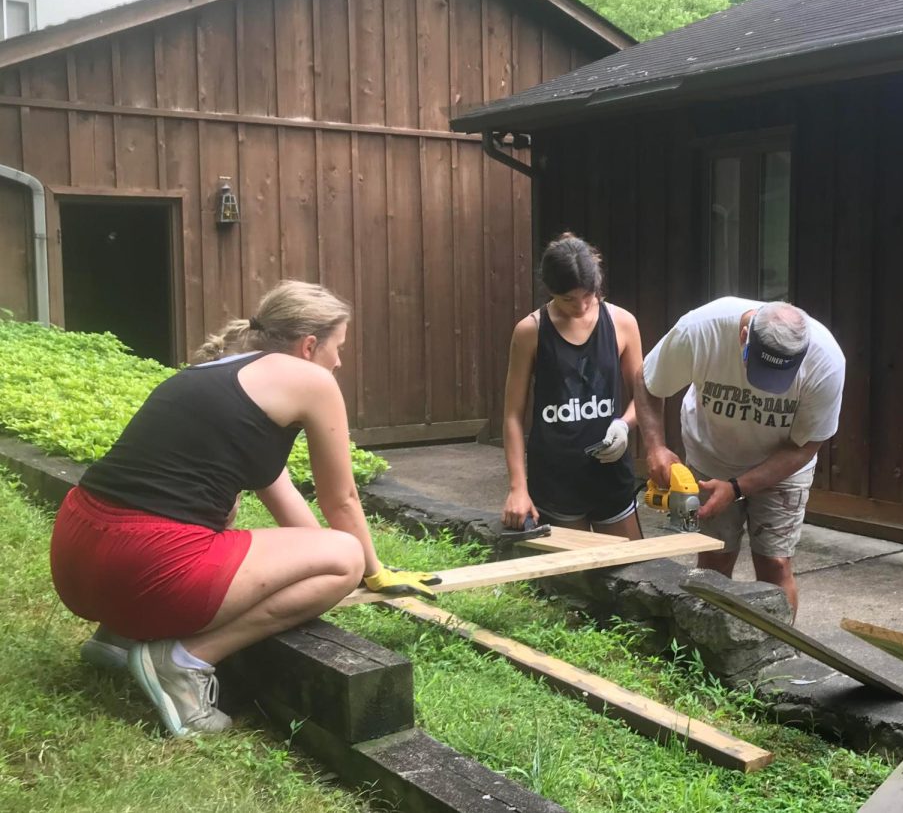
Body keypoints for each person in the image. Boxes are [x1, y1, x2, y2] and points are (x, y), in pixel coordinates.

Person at [50, 280, 437, 738]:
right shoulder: (311, 380)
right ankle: (184, 660)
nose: (339, 361)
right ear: (310, 345)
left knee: (283, 534)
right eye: (339, 347)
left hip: (76, 557)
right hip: (144, 565)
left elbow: (282, 493)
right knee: (346, 558)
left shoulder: (213, 373)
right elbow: (342, 500)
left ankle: (116, 636)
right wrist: (370, 571)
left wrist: (321, 560)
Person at [635, 297, 845, 612]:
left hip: (782, 465)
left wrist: (736, 488)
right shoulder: (701, 329)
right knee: (713, 558)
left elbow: (806, 446)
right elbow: (648, 380)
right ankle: (706, 651)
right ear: (744, 335)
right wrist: (655, 447)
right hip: (711, 457)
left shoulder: (825, 360)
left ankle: (778, 653)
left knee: (775, 564)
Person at [502, 234, 644, 539]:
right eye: (568, 299)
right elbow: (513, 415)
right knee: (572, 583)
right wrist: (517, 488)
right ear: (551, 290)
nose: (580, 306)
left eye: (588, 295)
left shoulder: (622, 322)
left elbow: (644, 399)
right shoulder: (530, 331)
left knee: (630, 573)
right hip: (555, 479)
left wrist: (624, 425)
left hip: (610, 475)